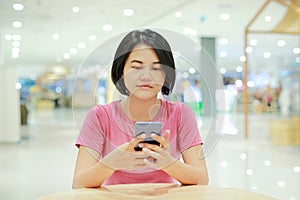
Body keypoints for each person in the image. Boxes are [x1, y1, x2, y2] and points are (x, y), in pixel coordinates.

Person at [72, 29, 209, 189]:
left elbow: (202, 178)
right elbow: (79, 183)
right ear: (121, 71)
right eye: (136, 67)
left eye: (156, 68)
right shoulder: (100, 116)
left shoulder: (180, 114)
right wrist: (112, 162)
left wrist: (168, 164)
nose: (146, 76)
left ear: (166, 74)